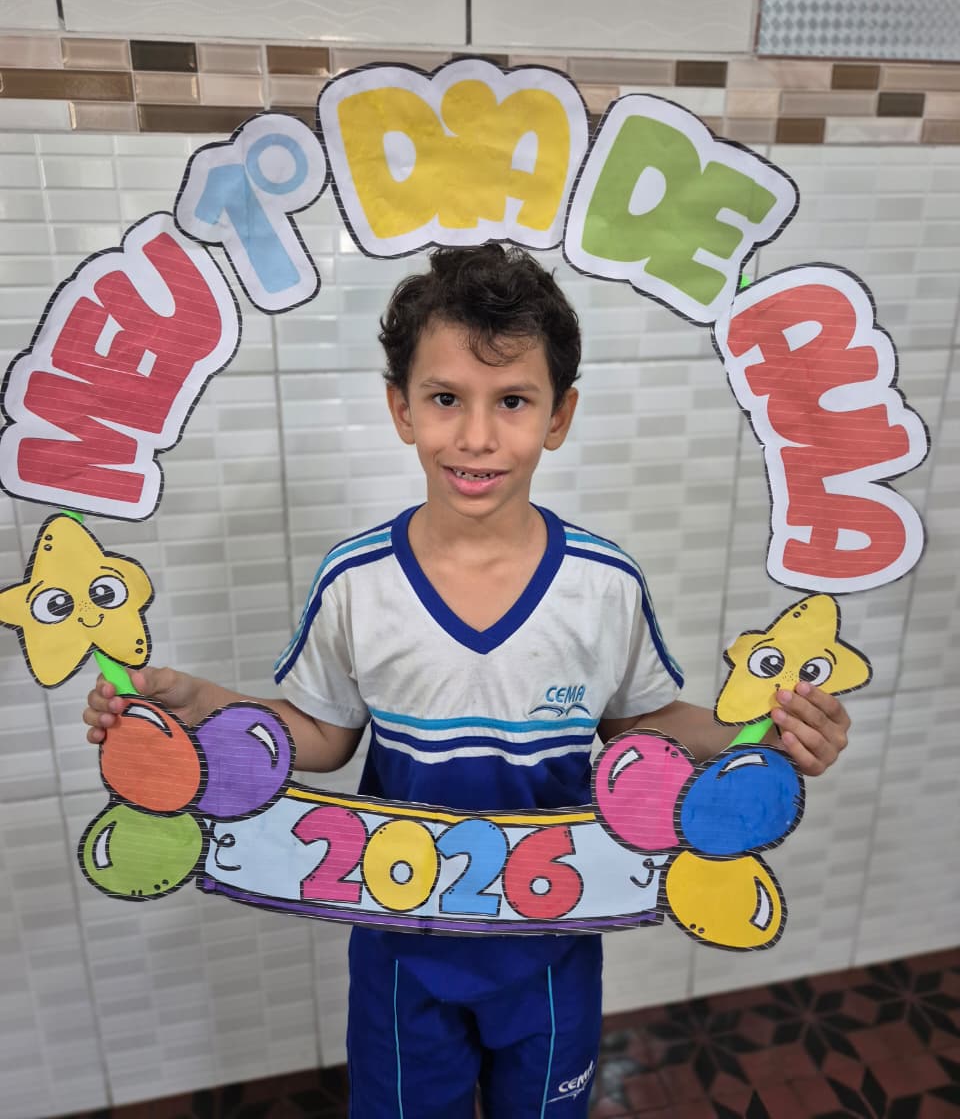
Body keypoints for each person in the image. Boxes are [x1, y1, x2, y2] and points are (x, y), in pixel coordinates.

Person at [84, 243, 850, 1118]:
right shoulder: (356, 582)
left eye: (512, 401)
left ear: (559, 416)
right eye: (446, 398)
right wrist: (200, 708)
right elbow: (325, 738)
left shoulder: (604, 585)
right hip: (401, 948)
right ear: (401, 408)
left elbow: (638, 728)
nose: (477, 436)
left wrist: (761, 737)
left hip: (554, 940)